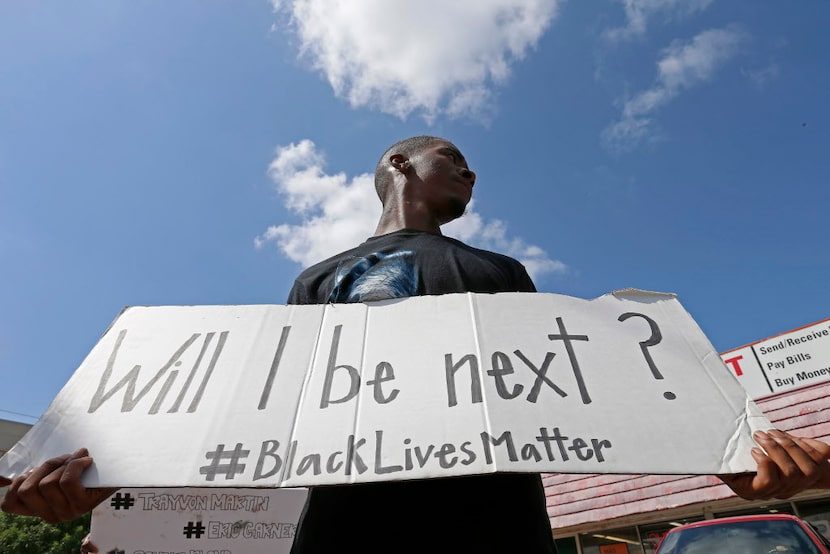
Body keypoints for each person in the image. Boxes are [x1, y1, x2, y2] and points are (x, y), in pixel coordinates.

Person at [2, 136, 830, 553]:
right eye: (455, 161)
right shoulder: (314, 280)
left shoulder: (498, 269)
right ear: (403, 164)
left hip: (491, 529)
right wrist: (112, 485)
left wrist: (718, 446)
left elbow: (569, 397)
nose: (471, 176)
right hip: (339, 537)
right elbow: (262, 420)